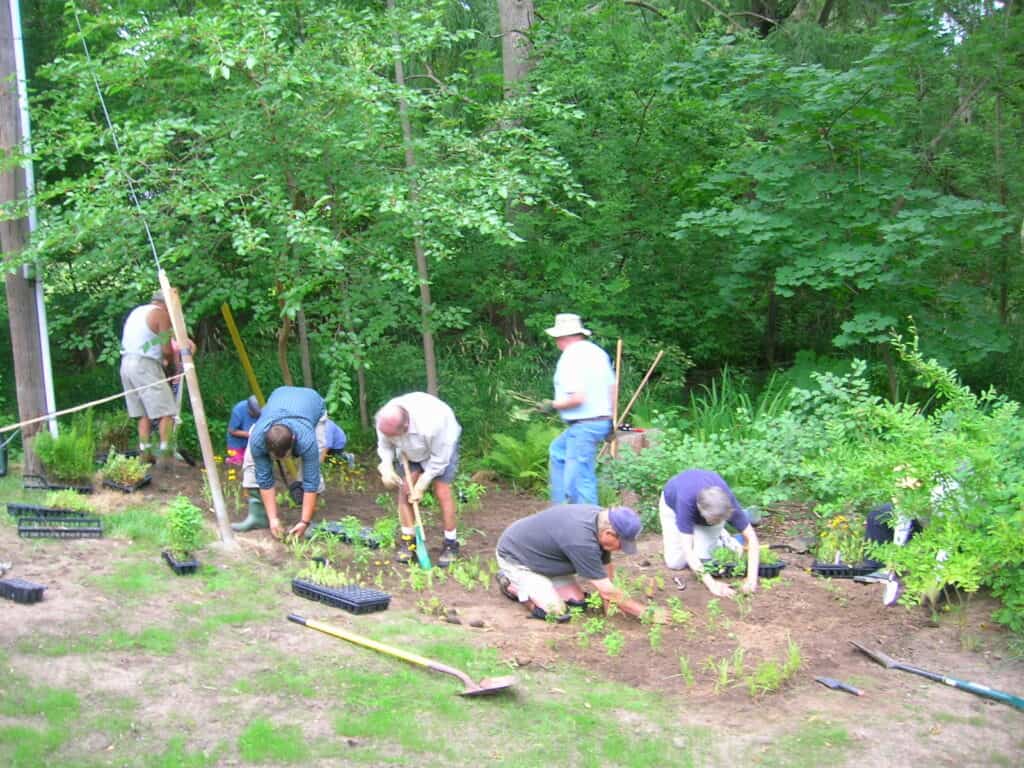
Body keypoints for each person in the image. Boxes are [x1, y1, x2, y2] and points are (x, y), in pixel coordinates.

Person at [495, 504, 666, 623]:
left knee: (577, 603)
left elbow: (605, 567)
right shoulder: (581, 540)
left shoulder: (601, 521)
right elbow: (607, 590)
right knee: (556, 612)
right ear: (609, 534)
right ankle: (513, 587)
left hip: (547, 558)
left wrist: (608, 604)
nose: (622, 549)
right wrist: (645, 613)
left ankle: (543, 585)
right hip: (517, 558)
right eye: (622, 544)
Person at [375, 392, 462, 567]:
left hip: (439, 450)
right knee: (405, 490)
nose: (391, 438)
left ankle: (450, 543)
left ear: (406, 425)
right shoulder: (385, 419)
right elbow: (384, 446)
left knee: (441, 489)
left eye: (394, 435)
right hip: (408, 450)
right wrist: (386, 466)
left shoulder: (435, 423)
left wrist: (422, 485)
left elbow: (439, 460)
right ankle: (409, 542)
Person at [233, 386, 328, 538]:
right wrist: (273, 519)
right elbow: (264, 478)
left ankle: (310, 521)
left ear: (293, 441)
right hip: (279, 399)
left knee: (311, 466)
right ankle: (259, 517)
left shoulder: (306, 440)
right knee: (252, 463)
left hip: (312, 405)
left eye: (285, 455)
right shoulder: (259, 437)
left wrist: (304, 521)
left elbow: (311, 482)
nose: (282, 460)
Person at [542, 313, 615, 506]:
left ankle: (588, 523)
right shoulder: (598, 353)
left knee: (580, 479)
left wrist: (552, 405)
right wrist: (611, 421)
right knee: (557, 451)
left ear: (563, 337)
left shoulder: (571, 357)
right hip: (600, 421)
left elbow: (577, 398)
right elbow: (612, 389)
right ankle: (558, 509)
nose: (556, 342)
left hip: (585, 425)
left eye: (557, 338)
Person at [660, 469, 760, 597]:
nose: (717, 521)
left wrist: (751, 580)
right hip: (672, 505)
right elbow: (688, 550)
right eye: (714, 520)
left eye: (720, 520)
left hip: (710, 510)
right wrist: (713, 585)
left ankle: (724, 540)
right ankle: (706, 534)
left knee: (704, 559)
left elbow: (752, 538)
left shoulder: (725, 502)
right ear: (701, 511)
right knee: (675, 563)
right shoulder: (685, 503)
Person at [120, 291, 178, 459]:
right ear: (165, 304)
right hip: (145, 364)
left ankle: (144, 450)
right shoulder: (161, 314)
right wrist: (171, 366)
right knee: (166, 409)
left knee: (142, 411)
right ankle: (165, 452)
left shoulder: (138, 312)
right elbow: (167, 350)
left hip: (126, 363)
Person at [226, 396, 261, 466]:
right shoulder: (238, 410)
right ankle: (230, 460)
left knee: (252, 464)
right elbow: (231, 431)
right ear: (248, 409)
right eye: (253, 414)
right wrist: (250, 434)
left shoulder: (263, 410)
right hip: (236, 442)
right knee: (238, 464)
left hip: (252, 442)